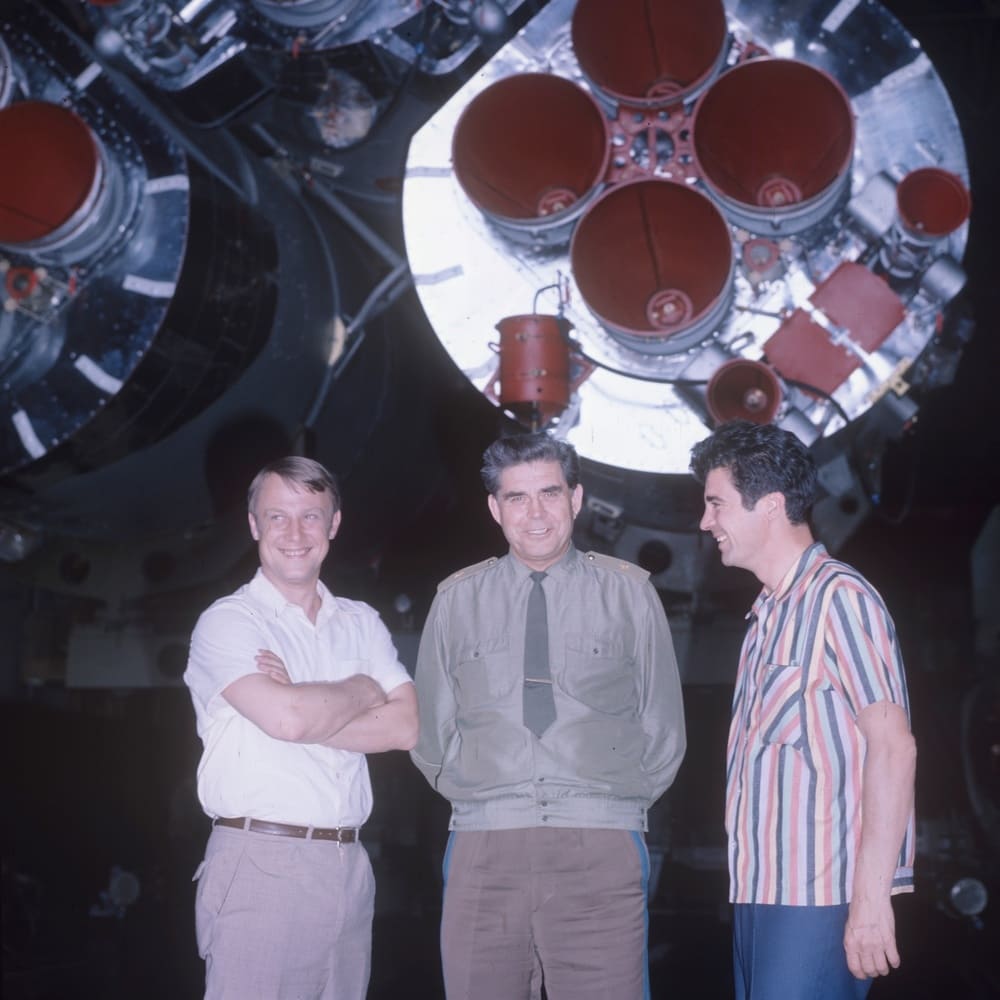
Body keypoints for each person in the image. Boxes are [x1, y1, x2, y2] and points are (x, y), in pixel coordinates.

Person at [411, 432, 686, 1000]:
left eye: (549, 493)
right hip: (485, 847)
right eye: (516, 498)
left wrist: (607, 803)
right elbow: (430, 731)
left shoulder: (630, 595)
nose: (535, 513)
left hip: (600, 845)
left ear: (576, 499)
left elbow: (663, 728)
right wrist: (485, 795)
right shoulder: (455, 601)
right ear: (495, 508)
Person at [689, 421, 917, 1000]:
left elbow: (894, 747)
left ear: (768, 506)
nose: (704, 521)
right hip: (760, 892)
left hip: (819, 901)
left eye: (716, 504)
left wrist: (870, 903)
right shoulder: (766, 616)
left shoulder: (840, 598)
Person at [183, 455, 418, 1000]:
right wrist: (361, 690)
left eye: (311, 516)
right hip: (260, 862)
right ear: (253, 525)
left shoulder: (361, 621)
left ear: (334, 524)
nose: (294, 532)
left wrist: (304, 700)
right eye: (277, 516)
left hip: (349, 867)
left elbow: (406, 727)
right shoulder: (229, 621)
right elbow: (286, 719)